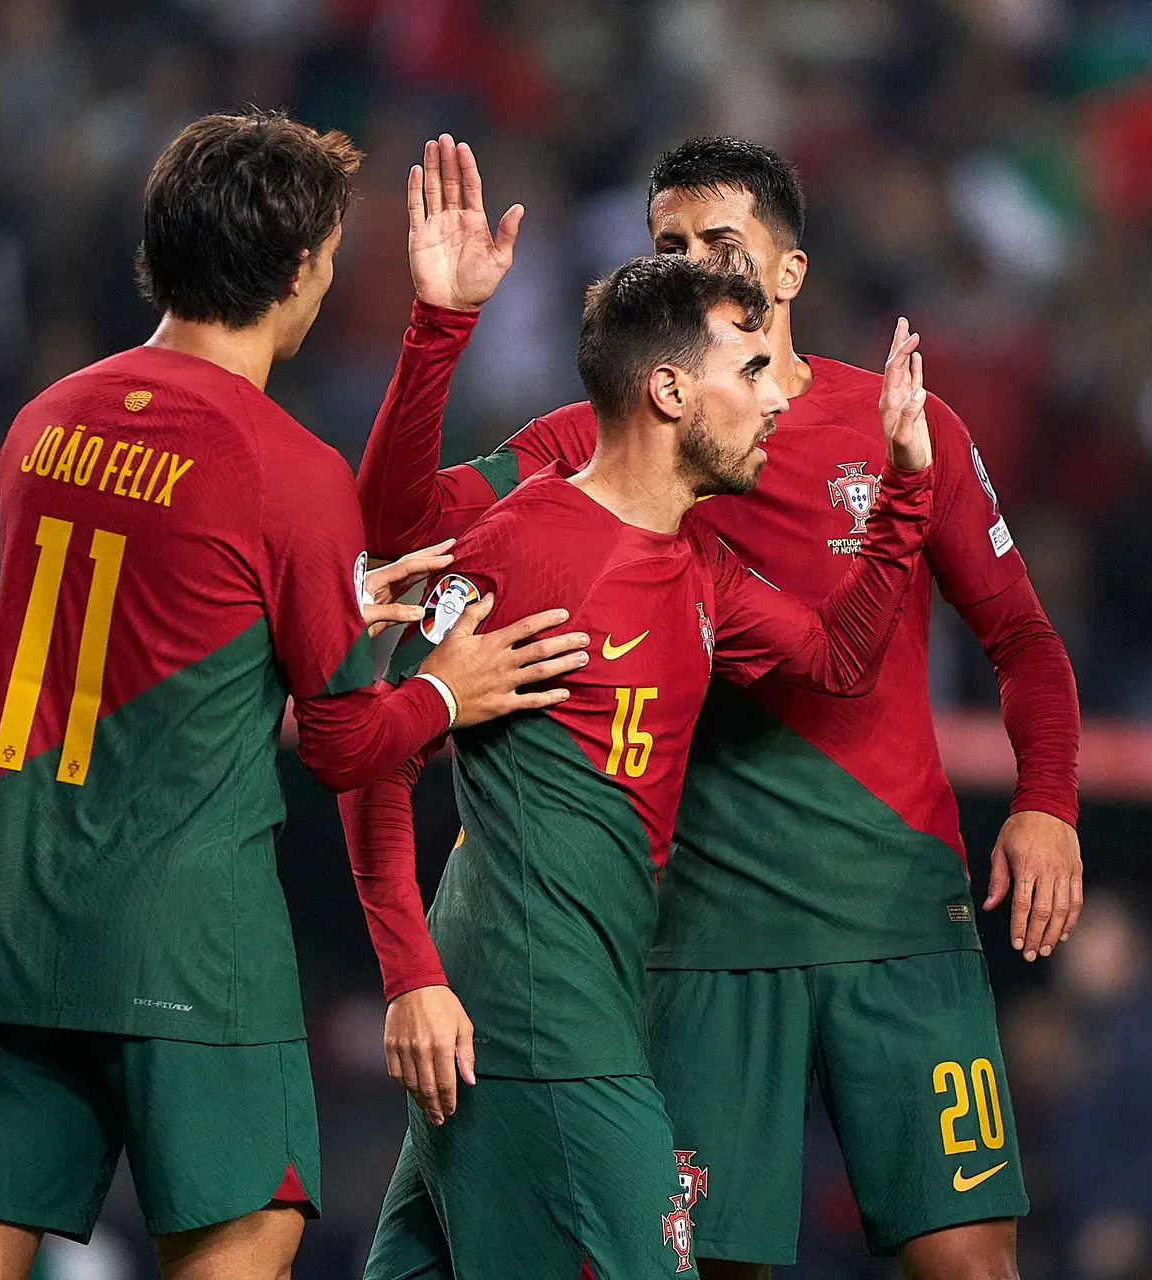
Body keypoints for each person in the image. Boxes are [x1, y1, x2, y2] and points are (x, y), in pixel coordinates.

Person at [358, 133, 1081, 1280]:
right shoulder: (597, 449)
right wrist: (439, 326)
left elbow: (1013, 638)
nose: (693, 263)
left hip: (893, 909)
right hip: (696, 934)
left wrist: (1046, 800)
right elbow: (400, 537)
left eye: (719, 243)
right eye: (667, 247)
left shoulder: (895, 426)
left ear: (789, 272)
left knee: (971, 1261)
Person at [0, 110, 585, 1280]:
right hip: (187, 949)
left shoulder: (41, 425)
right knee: (242, 1249)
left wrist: (331, 596)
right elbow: (338, 744)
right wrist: (443, 692)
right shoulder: (288, 469)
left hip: (11, 930)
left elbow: (156, 606)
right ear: (300, 268)